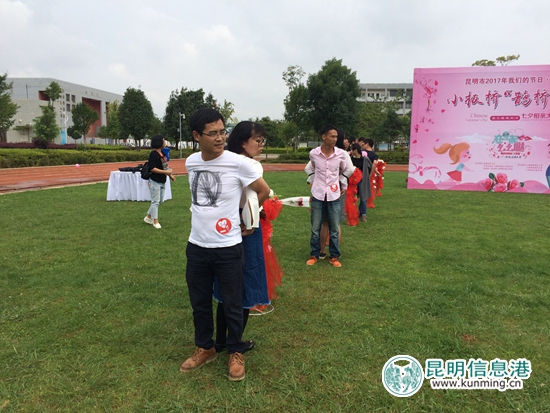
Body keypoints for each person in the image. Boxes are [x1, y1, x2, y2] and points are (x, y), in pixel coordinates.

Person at [180, 108, 270, 382]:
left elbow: (263, 191)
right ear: (197, 136)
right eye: (213, 133)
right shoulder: (191, 162)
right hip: (197, 245)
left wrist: (247, 219)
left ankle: (235, 351)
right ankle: (205, 347)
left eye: (223, 132)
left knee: (233, 303)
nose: (220, 138)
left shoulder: (239, 163)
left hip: (229, 246)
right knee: (199, 303)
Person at [213, 121, 270, 355]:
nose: (261, 145)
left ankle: (219, 341)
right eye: (258, 140)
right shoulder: (249, 164)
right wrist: (251, 216)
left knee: (225, 285)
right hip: (245, 228)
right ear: (243, 142)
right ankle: (235, 342)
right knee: (245, 286)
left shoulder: (223, 160)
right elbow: (263, 192)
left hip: (224, 225)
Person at [305, 124, 353, 268]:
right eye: (332, 136)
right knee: (315, 228)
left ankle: (334, 256)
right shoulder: (314, 154)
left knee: (334, 229)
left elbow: (347, 170)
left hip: (334, 195)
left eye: (336, 137)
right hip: (318, 194)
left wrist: (342, 183)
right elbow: (311, 167)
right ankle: (314, 254)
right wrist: (314, 180)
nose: (335, 139)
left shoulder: (340, 154)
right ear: (323, 137)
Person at [143, 135, 175, 229]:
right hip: (155, 181)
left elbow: (164, 166)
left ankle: (148, 217)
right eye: (163, 141)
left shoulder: (162, 154)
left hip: (162, 180)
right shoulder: (154, 154)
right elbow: (152, 168)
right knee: (155, 201)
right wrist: (166, 172)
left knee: (160, 201)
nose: (165, 142)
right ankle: (155, 221)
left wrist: (170, 174)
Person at [350, 143, 367, 221]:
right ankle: (351, 213)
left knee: (363, 197)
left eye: (352, 149)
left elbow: (368, 169)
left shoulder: (364, 159)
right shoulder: (350, 159)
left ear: (355, 150)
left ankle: (363, 214)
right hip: (352, 181)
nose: (351, 151)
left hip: (361, 180)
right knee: (351, 197)